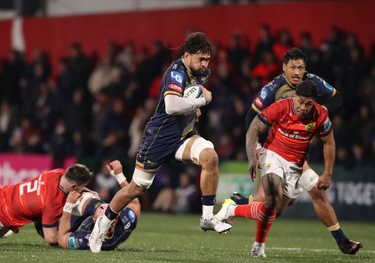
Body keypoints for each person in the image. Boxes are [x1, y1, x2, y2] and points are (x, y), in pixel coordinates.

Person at [89, 31, 231, 253]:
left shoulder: (201, 72)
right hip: (158, 139)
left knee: (210, 157)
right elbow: (172, 106)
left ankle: (206, 217)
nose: (204, 64)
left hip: (183, 136)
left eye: (207, 59)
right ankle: (103, 223)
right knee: (135, 189)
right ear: (187, 55)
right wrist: (202, 100)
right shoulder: (176, 71)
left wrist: (195, 109)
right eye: (200, 59)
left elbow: (187, 98)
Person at [231, 47, 362, 255]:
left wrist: (321, 112)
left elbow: (337, 98)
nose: (297, 72)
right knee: (288, 199)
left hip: (299, 146)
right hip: (276, 147)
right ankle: (342, 241)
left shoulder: (313, 83)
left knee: (278, 206)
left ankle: (237, 204)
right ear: (284, 68)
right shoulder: (274, 87)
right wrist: (255, 148)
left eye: (301, 67)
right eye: (292, 67)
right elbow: (251, 118)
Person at [217, 80, 347, 257]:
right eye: (300, 101)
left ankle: (232, 209)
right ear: (294, 97)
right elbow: (253, 129)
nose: (303, 107)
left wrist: (328, 173)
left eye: (308, 103)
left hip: (296, 165)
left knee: (273, 211)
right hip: (272, 154)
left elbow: (329, 143)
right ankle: (259, 246)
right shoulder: (280, 107)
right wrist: (252, 157)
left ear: (314, 102)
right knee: (272, 199)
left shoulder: (320, 114)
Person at [0, 163, 94, 245]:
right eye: (82, 187)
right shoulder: (52, 203)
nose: (82, 189)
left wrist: (90, 193)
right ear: (73, 186)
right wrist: (71, 235)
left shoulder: (57, 173)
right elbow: (51, 239)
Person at [57, 160, 140, 250]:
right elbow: (134, 202)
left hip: (80, 220)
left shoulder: (88, 240)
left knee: (53, 234)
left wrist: (68, 205)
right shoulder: (125, 222)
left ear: (94, 220)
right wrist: (119, 175)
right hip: (95, 212)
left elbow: (61, 239)